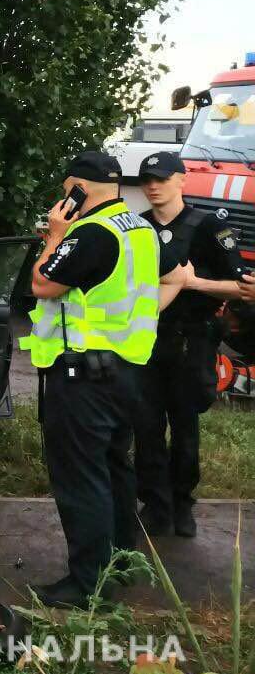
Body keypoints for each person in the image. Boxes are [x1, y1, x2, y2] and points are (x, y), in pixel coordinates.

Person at [20, 151, 185, 608]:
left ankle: (87, 584)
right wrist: (141, 317)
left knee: (82, 477)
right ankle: (121, 562)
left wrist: (56, 235)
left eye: (65, 190)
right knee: (115, 469)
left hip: (83, 378)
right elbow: (178, 277)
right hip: (127, 372)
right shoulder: (140, 228)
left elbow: (42, 284)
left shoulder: (90, 232)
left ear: (77, 189)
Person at [134, 152, 243, 538]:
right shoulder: (138, 228)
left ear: (182, 179)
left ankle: (182, 503)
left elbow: (243, 286)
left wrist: (195, 283)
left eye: (162, 178)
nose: (153, 186)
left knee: (184, 425)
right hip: (146, 338)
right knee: (145, 425)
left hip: (191, 340)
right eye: (147, 180)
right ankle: (154, 503)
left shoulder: (209, 227)